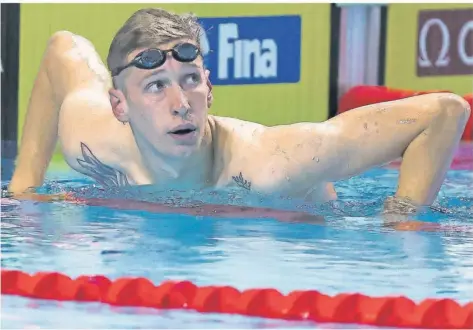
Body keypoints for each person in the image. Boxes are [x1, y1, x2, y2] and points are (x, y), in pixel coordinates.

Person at [8, 8, 471, 219]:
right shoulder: (90, 136)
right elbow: (62, 49)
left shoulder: (273, 163)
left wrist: (404, 221)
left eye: (191, 80)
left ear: (209, 87)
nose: (180, 102)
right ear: (119, 105)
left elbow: (444, 112)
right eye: (155, 87)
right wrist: (23, 188)